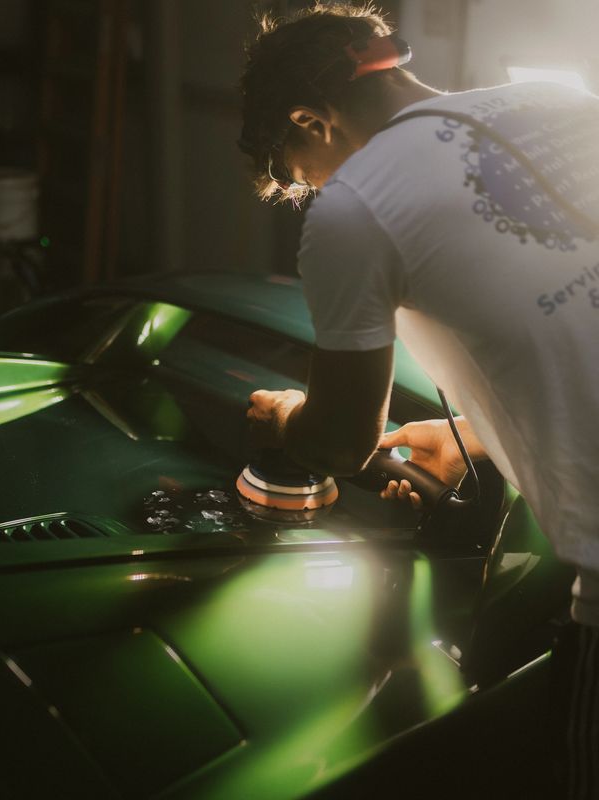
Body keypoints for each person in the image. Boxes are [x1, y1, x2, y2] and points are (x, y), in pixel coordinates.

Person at [238, 4, 599, 796]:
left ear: (311, 119)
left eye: (306, 177)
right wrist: (477, 433)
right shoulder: (566, 105)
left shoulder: (355, 204)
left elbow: (339, 444)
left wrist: (288, 416)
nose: (318, 195)